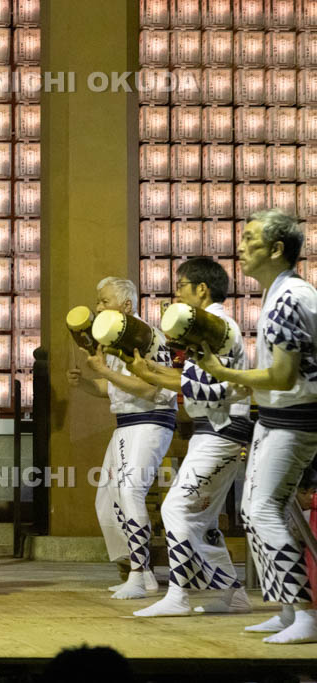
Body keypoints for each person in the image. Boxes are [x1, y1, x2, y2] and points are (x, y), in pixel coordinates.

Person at [197, 209, 317, 644]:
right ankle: (288, 610)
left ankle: (305, 614)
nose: (241, 247)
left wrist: (223, 374)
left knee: (263, 509)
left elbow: (284, 377)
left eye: (250, 239)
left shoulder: (289, 297)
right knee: (259, 511)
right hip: (275, 417)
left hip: (294, 419)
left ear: (277, 248)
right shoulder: (279, 293)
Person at [125, 258, 253, 617]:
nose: (177, 293)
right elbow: (191, 380)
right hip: (213, 430)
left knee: (175, 508)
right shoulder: (209, 329)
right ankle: (233, 595)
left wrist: (150, 375)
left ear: (201, 289)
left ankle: (179, 596)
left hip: (221, 430)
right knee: (202, 519)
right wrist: (148, 369)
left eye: (181, 286)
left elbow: (207, 390)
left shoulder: (220, 327)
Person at [67, 277, 177, 599]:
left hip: (150, 421)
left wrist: (103, 371)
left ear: (126, 305)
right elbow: (112, 388)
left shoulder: (145, 336)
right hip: (127, 423)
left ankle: (139, 575)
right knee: (108, 500)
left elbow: (148, 388)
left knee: (130, 492)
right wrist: (86, 382)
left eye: (103, 301)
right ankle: (140, 573)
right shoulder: (114, 339)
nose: (97, 307)